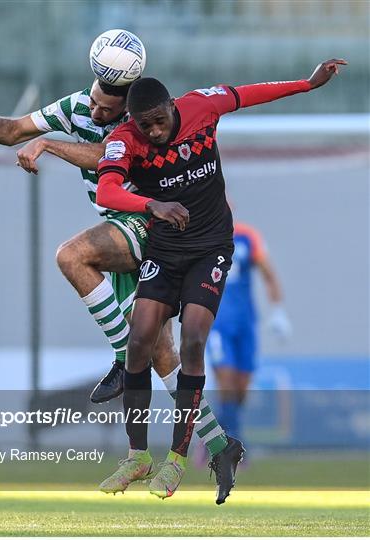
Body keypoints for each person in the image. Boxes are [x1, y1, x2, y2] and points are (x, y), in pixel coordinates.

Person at [0, 77, 238, 501]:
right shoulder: (76, 106)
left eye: (107, 112)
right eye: (93, 105)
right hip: (121, 224)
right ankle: (219, 443)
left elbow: (103, 158)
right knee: (159, 352)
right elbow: (12, 131)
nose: (96, 114)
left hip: (146, 222)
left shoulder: (138, 125)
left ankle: (118, 359)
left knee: (72, 256)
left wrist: (51, 145)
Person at [95, 59, 347, 501]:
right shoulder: (124, 140)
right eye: (143, 125)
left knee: (193, 338)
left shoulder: (200, 107)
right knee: (140, 339)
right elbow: (107, 190)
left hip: (211, 245)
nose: (152, 132)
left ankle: (176, 461)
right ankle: (137, 455)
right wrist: (152, 205)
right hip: (165, 249)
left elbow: (250, 92)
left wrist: (307, 85)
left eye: (158, 121)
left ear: (172, 107)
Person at [199, 221, 292, 465]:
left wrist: (278, 310)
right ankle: (234, 446)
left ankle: (211, 436)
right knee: (226, 380)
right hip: (217, 323)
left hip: (246, 323)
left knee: (241, 389)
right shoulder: (201, 234)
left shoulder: (247, 236)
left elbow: (268, 274)